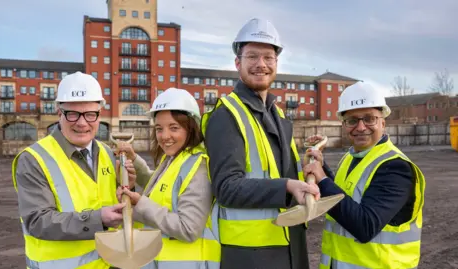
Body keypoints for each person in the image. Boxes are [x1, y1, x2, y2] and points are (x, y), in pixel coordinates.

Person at [201, 18, 321, 269]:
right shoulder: (226, 115)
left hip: (289, 244)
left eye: (268, 57)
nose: (261, 65)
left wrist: (307, 172)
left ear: (276, 63)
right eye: (252, 57)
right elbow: (226, 188)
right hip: (249, 255)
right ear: (238, 63)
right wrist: (287, 186)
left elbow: (279, 172)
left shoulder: (278, 114)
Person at [11, 71, 136, 269]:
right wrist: (98, 219)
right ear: (59, 113)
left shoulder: (106, 152)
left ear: (99, 114)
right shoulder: (33, 159)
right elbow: (38, 221)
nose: (82, 122)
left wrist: (129, 186)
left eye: (90, 114)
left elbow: (112, 203)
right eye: (72, 114)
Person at [303, 82, 426, 269]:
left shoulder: (396, 167)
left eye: (369, 119)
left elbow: (365, 226)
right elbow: (346, 197)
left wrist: (322, 179)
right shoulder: (352, 157)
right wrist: (322, 167)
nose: (360, 127)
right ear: (344, 125)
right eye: (352, 121)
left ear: (383, 122)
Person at [114, 88, 221, 269]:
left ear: (191, 128)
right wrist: (134, 160)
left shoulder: (199, 167)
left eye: (174, 128)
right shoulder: (174, 158)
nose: (165, 136)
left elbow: (188, 228)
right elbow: (163, 189)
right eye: (159, 129)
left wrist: (140, 203)